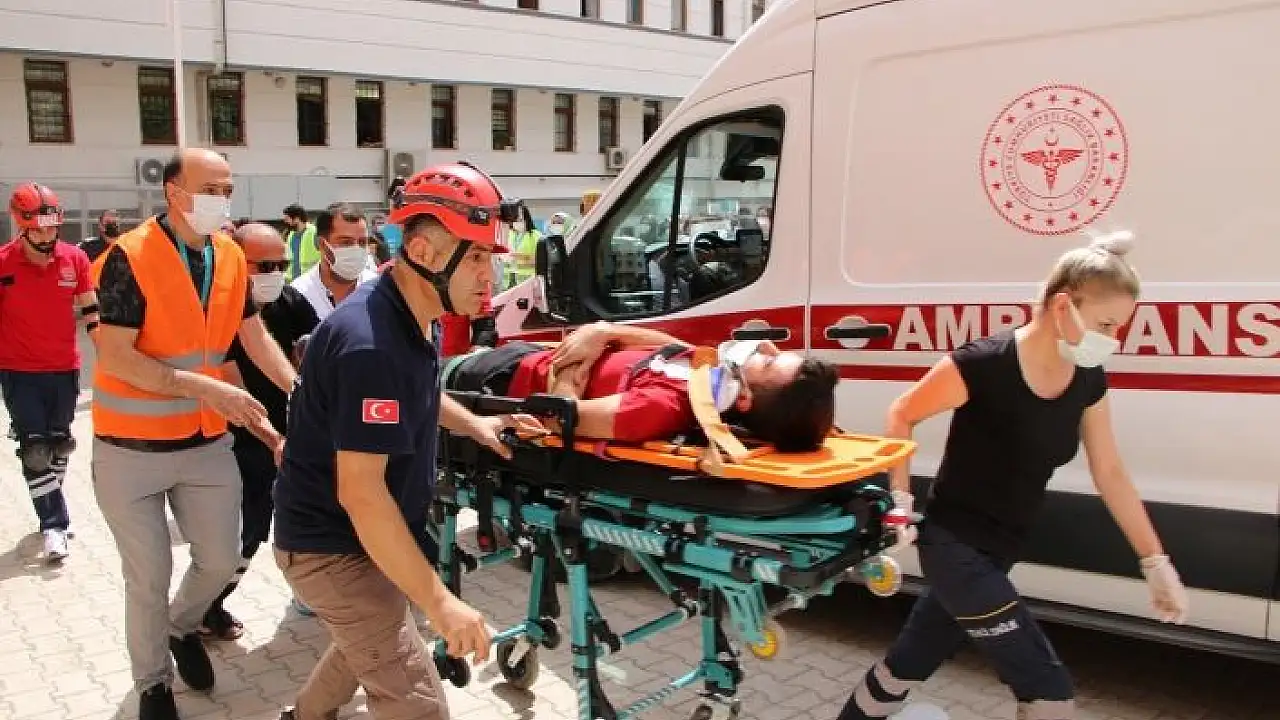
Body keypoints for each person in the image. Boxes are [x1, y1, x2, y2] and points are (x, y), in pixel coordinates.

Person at [834, 232, 1191, 720]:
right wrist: (900, 500)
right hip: (953, 547)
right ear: (1063, 306)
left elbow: (1109, 471)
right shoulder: (984, 364)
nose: (1113, 339)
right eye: (1106, 324)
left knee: (907, 666)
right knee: (1049, 695)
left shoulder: (1086, 378)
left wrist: (1154, 561)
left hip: (1001, 550)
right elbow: (902, 413)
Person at [271, 162, 545, 720]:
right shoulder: (370, 344)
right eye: (476, 257)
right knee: (415, 702)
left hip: (360, 536)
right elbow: (362, 494)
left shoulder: (417, 311)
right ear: (422, 252)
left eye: (491, 257)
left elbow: (419, 390)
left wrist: (476, 425)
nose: (490, 275)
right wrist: (441, 603)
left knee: (364, 642)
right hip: (332, 548)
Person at [91, 148, 297, 720]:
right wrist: (208, 389)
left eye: (227, 190)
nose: (220, 200)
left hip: (204, 444)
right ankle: (152, 683)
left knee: (221, 558)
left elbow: (252, 334)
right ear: (174, 192)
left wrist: (298, 387)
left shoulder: (228, 255)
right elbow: (117, 356)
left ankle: (182, 627)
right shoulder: (129, 257)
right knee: (148, 577)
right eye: (210, 189)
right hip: (129, 449)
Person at [442, 322, 840, 452]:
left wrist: (570, 368)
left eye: (768, 361)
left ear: (745, 398)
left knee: (411, 379)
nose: (765, 347)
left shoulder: (661, 408)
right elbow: (665, 344)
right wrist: (602, 332)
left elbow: (558, 417)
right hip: (520, 356)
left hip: (492, 381)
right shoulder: (702, 371)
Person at [198, 222, 299, 641]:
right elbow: (233, 386)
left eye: (282, 265)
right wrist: (272, 438)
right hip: (230, 436)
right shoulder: (214, 308)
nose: (275, 274)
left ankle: (211, 604)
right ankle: (202, 607)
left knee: (256, 528)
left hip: (279, 437)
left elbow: (306, 356)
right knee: (237, 531)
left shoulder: (288, 302)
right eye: (265, 266)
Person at [0, 183, 99, 562]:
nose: (46, 237)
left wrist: (109, 353)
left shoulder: (75, 258)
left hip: (64, 368)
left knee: (60, 445)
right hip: (19, 371)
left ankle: (50, 497)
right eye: (38, 231)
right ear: (21, 226)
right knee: (35, 450)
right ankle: (54, 524)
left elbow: (90, 309)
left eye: (52, 229)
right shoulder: (4, 262)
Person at [288, 202, 378, 323]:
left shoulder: (378, 290)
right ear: (322, 244)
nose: (356, 249)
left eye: (362, 242)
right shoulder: (298, 295)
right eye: (346, 242)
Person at [282, 203, 321, 281]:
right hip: (293, 281)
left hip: (312, 280)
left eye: (287, 219)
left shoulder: (314, 233)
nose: (285, 221)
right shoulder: (291, 235)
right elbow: (290, 260)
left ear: (296, 219)